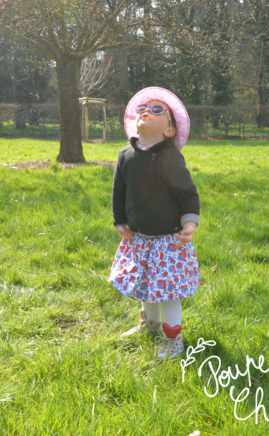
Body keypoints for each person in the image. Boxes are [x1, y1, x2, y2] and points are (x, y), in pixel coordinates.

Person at [108, 86, 200, 359]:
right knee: (145, 285)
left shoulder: (170, 157)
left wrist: (190, 224)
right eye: (142, 109)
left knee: (169, 293)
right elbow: (119, 192)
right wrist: (119, 221)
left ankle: (174, 340)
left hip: (168, 241)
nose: (147, 111)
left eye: (157, 109)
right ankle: (149, 325)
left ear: (170, 130)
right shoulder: (126, 155)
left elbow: (187, 193)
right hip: (139, 239)